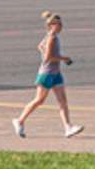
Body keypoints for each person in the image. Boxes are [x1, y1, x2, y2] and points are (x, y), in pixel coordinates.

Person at [13, 11, 83, 139]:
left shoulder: (50, 36)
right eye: (57, 24)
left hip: (56, 74)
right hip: (47, 73)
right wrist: (64, 58)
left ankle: (68, 127)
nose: (60, 26)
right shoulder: (52, 38)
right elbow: (48, 57)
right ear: (51, 26)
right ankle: (20, 121)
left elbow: (40, 46)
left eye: (61, 24)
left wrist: (47, 52)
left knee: (62, 101)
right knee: (39, 100)